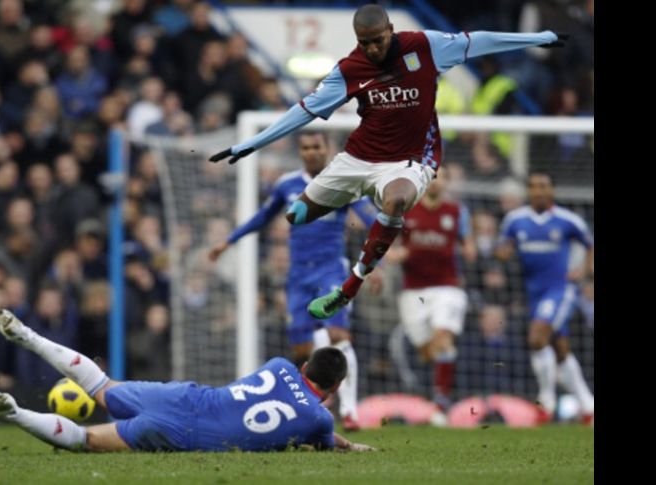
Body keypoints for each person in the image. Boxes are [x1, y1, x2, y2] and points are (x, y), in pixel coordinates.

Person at [208, 4, 567, 320]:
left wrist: (538, 38)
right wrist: (251, 144)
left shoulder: (423, 46)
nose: (373, 48)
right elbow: (304, 111)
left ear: (391, 31)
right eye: (365, 43)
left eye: (378, 40)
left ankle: (350, 284)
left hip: (412, 160)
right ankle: (360, 212)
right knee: (296, 216)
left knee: (395, 200)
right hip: (359, 157)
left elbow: (478, 41)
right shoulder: (350, 68)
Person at [0, 309, 375, 452]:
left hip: (185, 396)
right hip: (183, 431)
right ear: (334, 390)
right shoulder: (317, 421)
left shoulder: (280, 364)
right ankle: (14, 411)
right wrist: (349, 442)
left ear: (304, 368)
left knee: (100, 384)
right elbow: (325, 436)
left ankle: (26, 335)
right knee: (86, 440)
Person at [209, 131, 378, 431]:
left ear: (328, 149)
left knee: (339, 334)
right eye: (306, 147)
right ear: (300, 151)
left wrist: (379, 260)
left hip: (331, 270)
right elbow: (263, 216)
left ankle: (350, 411)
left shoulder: (343, 182)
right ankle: (312, 406)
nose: (311, 152)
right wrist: (229, 241)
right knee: (302, 351)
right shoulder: (287, 184)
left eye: (317, 146)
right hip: (298, 275)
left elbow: (370, 220)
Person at [495, 172, 594, 424]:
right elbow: (503, 248)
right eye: (533, 186)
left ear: (552, 190)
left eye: (543, 186)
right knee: (560, 349)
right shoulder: (515, 220)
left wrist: (584, 271)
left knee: (537, 338)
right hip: (534, 293)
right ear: (528, 191)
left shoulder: (567, 220)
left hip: (560, 290)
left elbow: (590, 244)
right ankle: (587, 405)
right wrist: (502, 252)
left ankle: (546, 401)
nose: (538, 191)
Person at [391, 166, 476, 412]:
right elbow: (389, 246)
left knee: (442, 338)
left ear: (447, 182)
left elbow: (469, 245)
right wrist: (398, 255)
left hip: (447, 287)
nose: (435, 182)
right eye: (431, 178)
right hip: (413, 291)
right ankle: (436, 387)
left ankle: (441, 400)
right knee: (427, 350)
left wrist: (470, 251)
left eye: (441, 177)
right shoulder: (406, 210)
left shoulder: (457, 212)